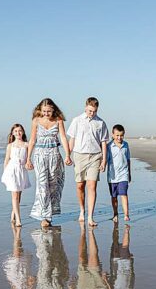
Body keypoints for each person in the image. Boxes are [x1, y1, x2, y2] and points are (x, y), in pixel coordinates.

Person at [26, 98, 72, 229]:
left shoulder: (58, 121)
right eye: (44, 111)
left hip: (54, 155)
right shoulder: (36, 121)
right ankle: (44, 216)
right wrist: (28, 158)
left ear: (54, 110)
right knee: (42, 186)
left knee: (53, 185)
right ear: (40, 110)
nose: (46, 113)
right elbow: (32, 140)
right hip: (40, 156)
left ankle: (49, 214)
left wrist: (68, 155)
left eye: (49, 111)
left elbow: (63, 137)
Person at [66, 97, 109, 227]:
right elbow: (72, 139)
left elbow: (103, 142)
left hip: (95, 156)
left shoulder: (100, 123)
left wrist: (104, 160)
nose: (92, 113)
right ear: (86, 107)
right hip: (79, 155)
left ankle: (90, 216)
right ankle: (82, 210)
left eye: (94, 111)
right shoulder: (77, 120)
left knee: (92, 185)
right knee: (80, 185)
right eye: (90, 111)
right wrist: (68, 155)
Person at [1, 123, 31, 226]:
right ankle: (18, 219)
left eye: (20, 131)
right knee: (14, 194)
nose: (18, 133)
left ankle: (14, 211)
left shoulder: (27, 145)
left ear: (23, 132)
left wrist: (29, 164)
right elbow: (6, 159)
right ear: (12, 133)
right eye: (16, 131)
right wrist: (5, 172)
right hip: (12, 170)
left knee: (19, 193)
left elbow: (29, 159)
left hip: (21, 170)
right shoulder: (10, 146)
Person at [106, 124, 132, 224]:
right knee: (114, 196)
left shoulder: (126, 145)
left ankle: (126, 215)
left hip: (124, 174)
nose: (119, 138)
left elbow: (128, 160)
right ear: (112, 135)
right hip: (112, 176)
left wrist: (129, 173)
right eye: (117, 135)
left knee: (124, 194)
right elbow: (106, 160)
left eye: (121, 135)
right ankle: (115, 214)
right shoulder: (109, 146)